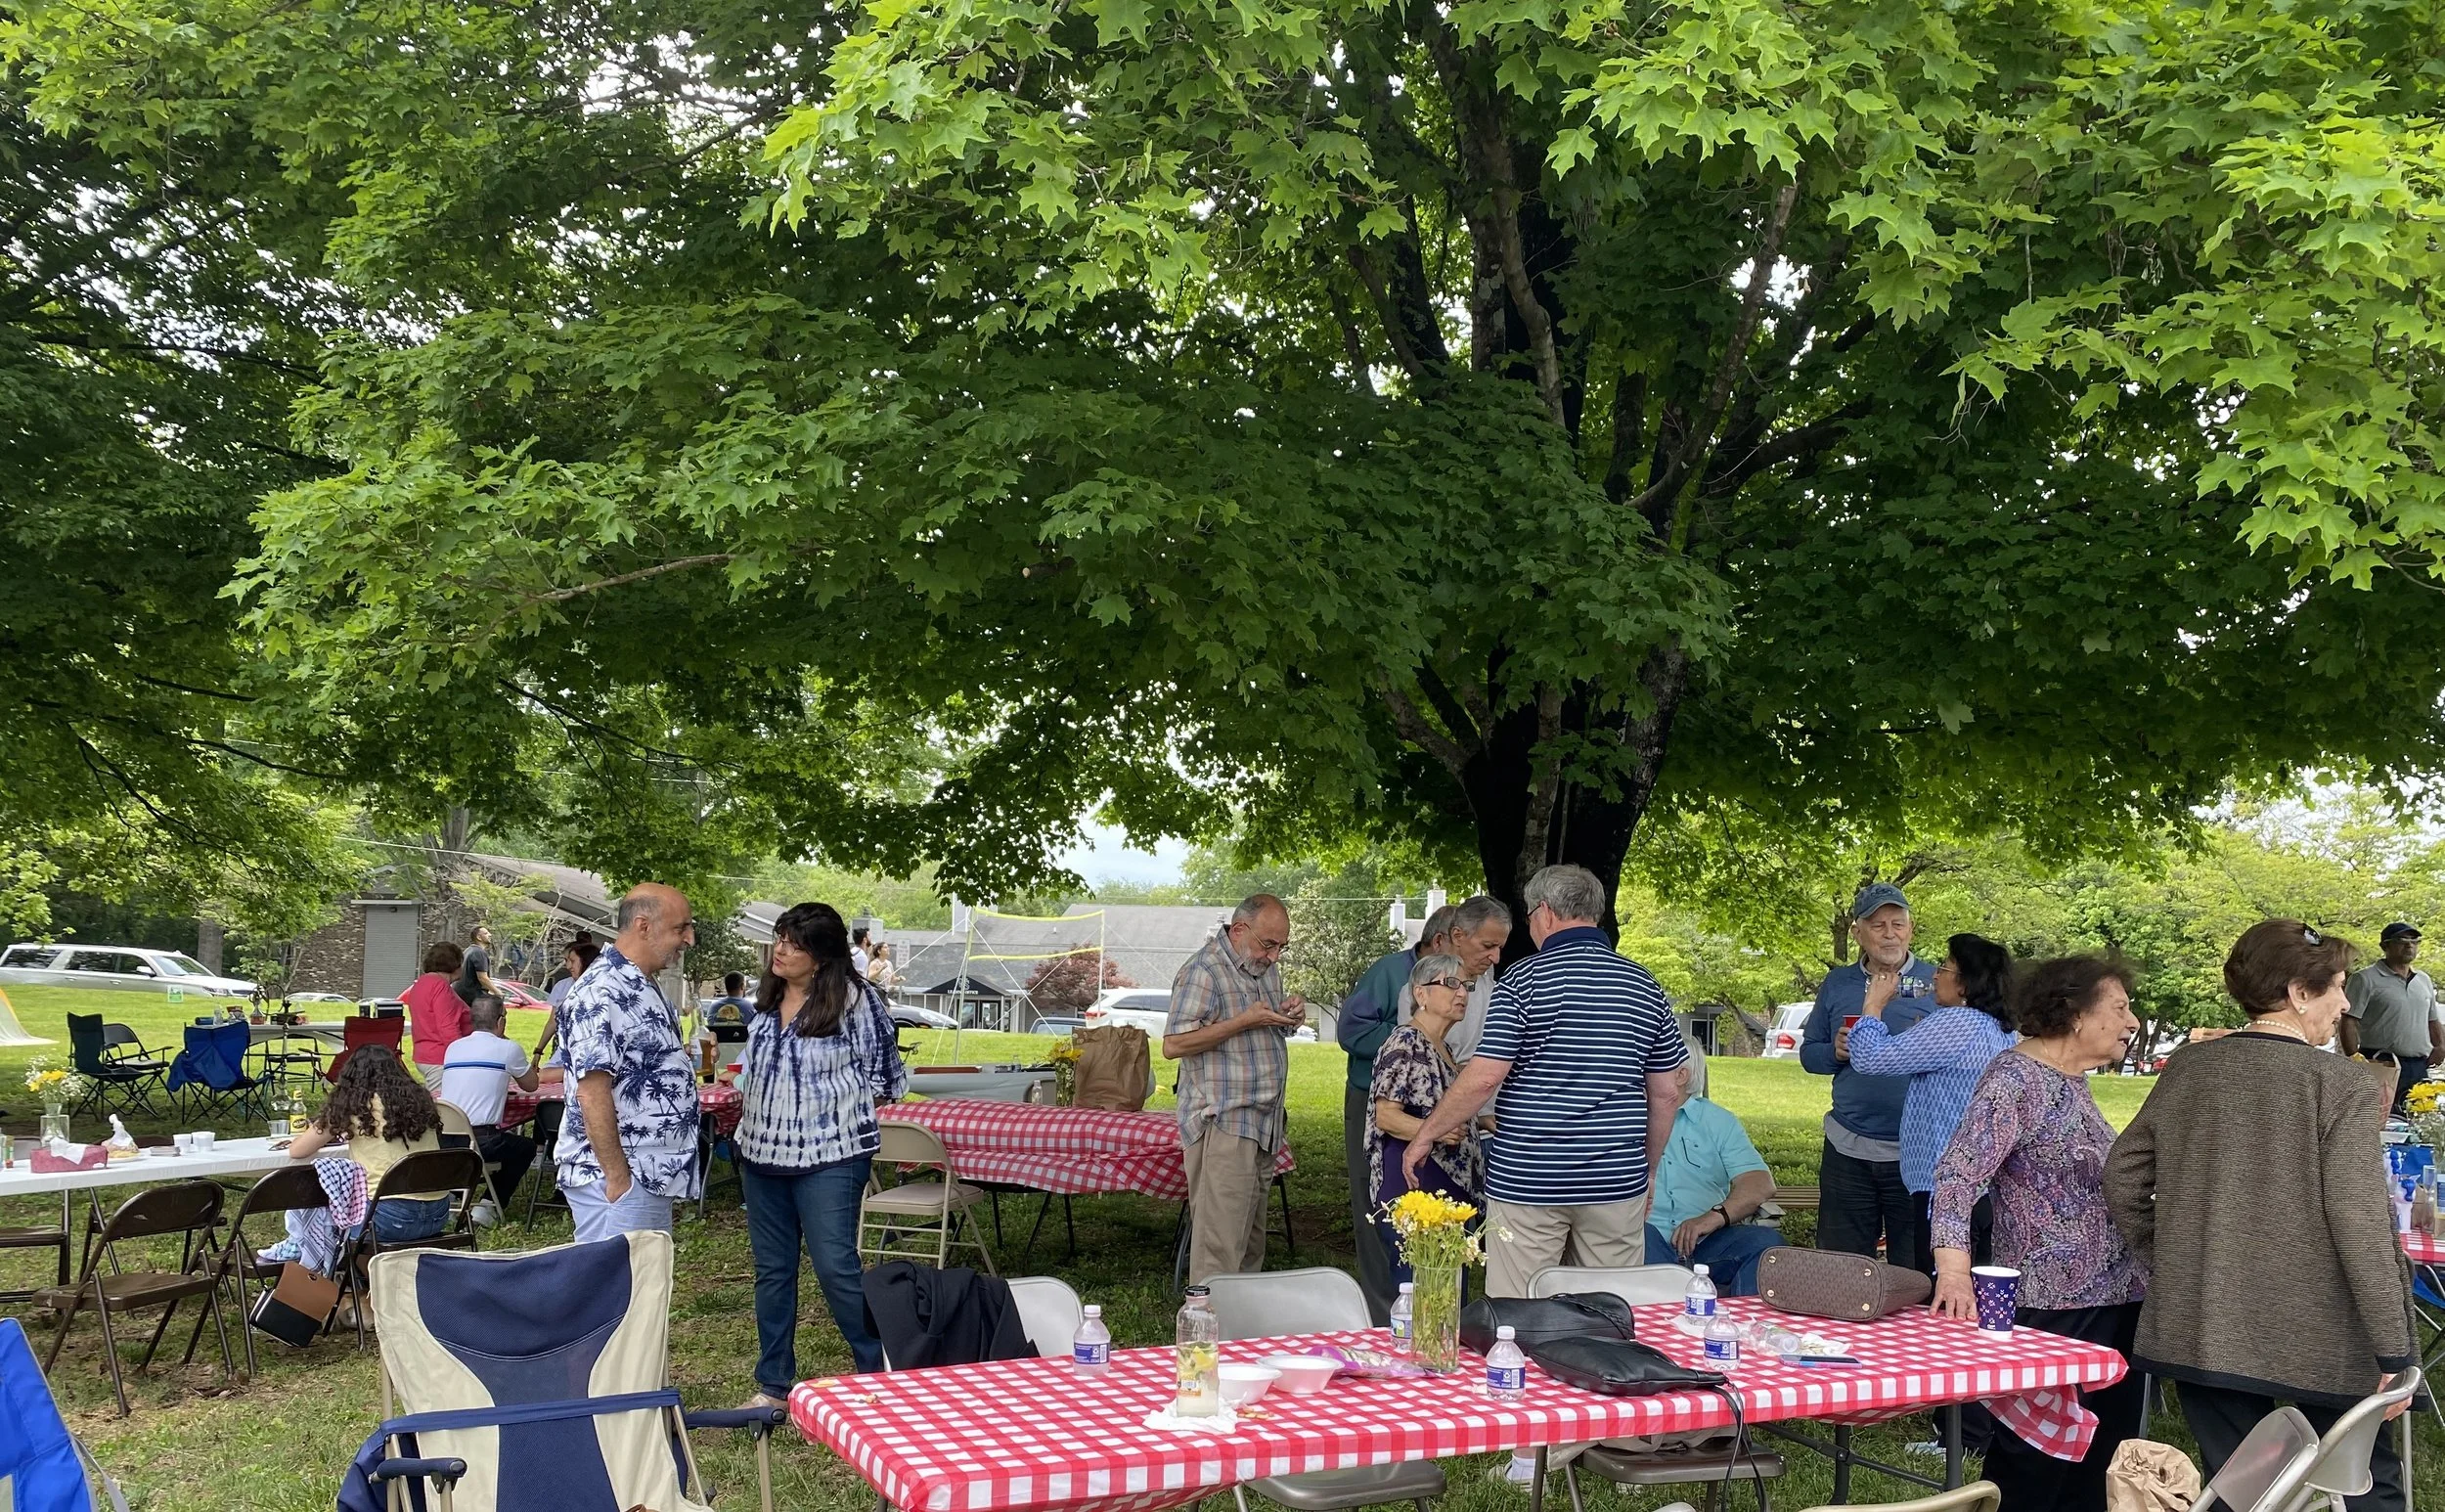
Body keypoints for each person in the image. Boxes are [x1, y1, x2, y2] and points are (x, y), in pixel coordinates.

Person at [2107, 921, 2414, 1512]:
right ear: (2300, 993)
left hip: (2205, 1317)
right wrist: (2394, 1349)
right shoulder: (2342, 1082)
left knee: (2243, 1489)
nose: (2346, 1003)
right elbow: (2360, 1221)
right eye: (2339, 987)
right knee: (2367, 1485)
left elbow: (2124, 1177)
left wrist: (2172, 1258)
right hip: (2321, 1331)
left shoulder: (2193, 1068)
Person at [1403, 864, 1686, 1299]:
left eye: (1531, 917)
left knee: (1521, 1312)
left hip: (1530, 1179)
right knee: (1610, 1312)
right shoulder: (1644, 984)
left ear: (1546, 912)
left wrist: (1425, 1135)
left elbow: (1484, 1077)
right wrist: (1646, 1169)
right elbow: (1668, 1090)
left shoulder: (1523, 979)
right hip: (1614, 1179)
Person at [1927, 956, 2145, 1512]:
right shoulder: (2016, 1078)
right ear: (2075, 1014)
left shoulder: (2071, 1080)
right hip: (2055, 1303)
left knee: (2099, 1456)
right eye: (2119, 1008)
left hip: (2115, 1295)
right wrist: (1954, 1272)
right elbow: (1957, 1175)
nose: (2132, 1021)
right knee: (2037, 1459)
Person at [736, 903, 908, 1402]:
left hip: (832, 1156)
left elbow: (886, 1078)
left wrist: (830, 1115)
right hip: (761, 1154)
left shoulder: (857, 1000)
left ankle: (878, 1369)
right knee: (773, 1271)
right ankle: (772, 1383)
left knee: (835, 1266)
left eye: (795, 942)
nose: (782, 950)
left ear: (823, 954)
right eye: (779, 938)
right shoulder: (763, 1001)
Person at [1846, 932, 2017, 1273]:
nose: (1935, 975)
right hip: (1986, 1183)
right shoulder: (2002, 1029)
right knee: (1977, 1288)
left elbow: (1869, 1058)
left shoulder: (1955, 1022)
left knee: (1941, 1292)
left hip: (1943, 1181)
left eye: (1945, 968)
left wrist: (1873, 1005)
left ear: (1967, 984)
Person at [1163, 894, 1308, 1285]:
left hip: (1265, 1124)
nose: (1275, 956)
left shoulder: (1261, 968)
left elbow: (1264, 1025)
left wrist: (1289, 1016)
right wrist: (1241, 1021)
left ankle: (1241, 1336)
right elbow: (1173, 1044)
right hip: (1223, 1122)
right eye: (1269, 944)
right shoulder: (1203, 970)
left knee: (1249, 1246)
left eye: (1282, 946)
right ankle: (1206, 1339)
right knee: (1220, 1251)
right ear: (1239, 929)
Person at [554, 882, 703, 1241]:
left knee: (642, 1291)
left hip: (644, 1176)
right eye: (680, 928)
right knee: (618, 1292)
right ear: (643, 926)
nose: (689, 939)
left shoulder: (640, 983)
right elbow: (592, 1093)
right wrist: (618, 1179)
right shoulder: (602, 990)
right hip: (618, 1180)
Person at [1800, 882, 1936, 1263]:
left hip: (1917, 1154)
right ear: (1858, 933)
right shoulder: (1838, 983)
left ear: (1911, 928)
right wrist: (1836, 1052)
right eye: (1878, 926)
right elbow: (1809, 1056)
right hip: (1848, 1148)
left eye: (1898, 923)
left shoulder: (1938, 984)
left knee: (1915, 1271)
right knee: (1840, 1267)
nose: (1890, 934)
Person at [1337, 901, 1456, 1322]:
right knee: (1380, 1215)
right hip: (1378, 1102)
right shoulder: (1389, 973)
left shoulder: (1459, 986)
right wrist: (1415, 1032)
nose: (1463, 986)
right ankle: (1383, 1313)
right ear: (1439, 940)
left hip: (1427, 1124)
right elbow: (1351, 1032)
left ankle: (1417, 1314)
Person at [1364, 954, 1485, 1290]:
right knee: (1421, 1295)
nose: (1462, 993)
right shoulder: (1405, 1042)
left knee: (1447, 1296)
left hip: (1446, 1189)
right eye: (1451, 984)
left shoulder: (1442, 1047)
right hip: (1414, 1187)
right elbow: (1386, 1116)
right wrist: (1436, 1130)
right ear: (1421, 994)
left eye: (1467, 986)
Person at [1643, 1025, 1780, 1296]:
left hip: (1709, 1241)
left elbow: (1759, 1183)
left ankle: (1744, 1326)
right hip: (1646, 1236)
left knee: (1767, 1245)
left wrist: (1713, 1218)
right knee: (1638, 1243)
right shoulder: (1626, 1114)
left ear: (1681, 1075)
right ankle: (1663, 1327)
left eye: (1652, 1063)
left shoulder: (1717, 1121)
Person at [288, 1045, 449, 1246]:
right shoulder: (420, 1100)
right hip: (439, 1213)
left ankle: (349, 1273)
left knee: (326, 1218)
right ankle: (370, 1276)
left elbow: (298, 1150)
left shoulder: (352, 1104)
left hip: (386, 1216)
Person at [437, 993, 543, 1223]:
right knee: (524, 1148)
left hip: (445, 1140)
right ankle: (488, 1205)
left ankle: (454, 1197)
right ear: (500, 1021)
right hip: (482, 1140)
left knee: (501, 1146)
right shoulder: (508, 1049)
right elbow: (532, 1085)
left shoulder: (453, 1048)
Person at [2342, 921, 2435, 1114]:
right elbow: (2349, 1020)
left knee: (2419, 1118)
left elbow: (2432, 1018)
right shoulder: (2365, 978)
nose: (2409, 945)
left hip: (2418, 1064)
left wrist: (2441, 1045)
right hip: (2380, 1061)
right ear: (2385, 946)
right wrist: (2354, 1057)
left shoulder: (2423, 979)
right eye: (2402, 941)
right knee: (2377, 1118)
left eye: (2414, 941)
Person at [402, 941, 472, 1087]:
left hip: (426, 1053)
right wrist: (462, 1056)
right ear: (454, 964)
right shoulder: (440, 986)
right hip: (440, 1058)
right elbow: (447, 1026)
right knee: (441, 1106)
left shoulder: (422, 983)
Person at [535, 938, 600, 1060]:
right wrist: (538, 1050)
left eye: (572, 961)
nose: (568, 966)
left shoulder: (600, 990)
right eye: (566, 960)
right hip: (562, 1047)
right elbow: (553, 1021)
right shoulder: (562, 985)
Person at [458, 924, 499, 1006]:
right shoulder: (479, 953)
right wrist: (498, 992)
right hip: (473, 1000)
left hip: (461, 998)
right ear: (479, 937)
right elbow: (482, 978)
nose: (490, 935)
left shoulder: (467, 951)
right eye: (486, 933)